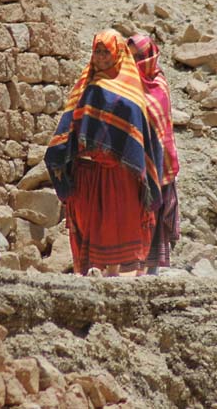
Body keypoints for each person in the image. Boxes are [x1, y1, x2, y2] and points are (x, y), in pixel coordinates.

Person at [45, 29, 163, 276]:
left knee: (114, 223)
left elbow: (137, 130)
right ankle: (92, 270)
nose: (100, 58)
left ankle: (113, 270)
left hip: (119, 172)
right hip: (87, 169)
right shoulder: (85, 85)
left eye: (105, 52)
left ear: (117, 54)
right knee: (89, 222)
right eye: (96, 52)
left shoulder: (131, 91)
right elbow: (71, 123)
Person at [128, 34, 181, 275]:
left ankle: (151, 273)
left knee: (154, 212)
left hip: (159, 161)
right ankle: (132, 267)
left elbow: (160, 123)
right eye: (130, 56)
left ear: (150, 56)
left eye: (140, 56)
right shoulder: (123, 83)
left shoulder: (159, 83)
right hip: (133, 161)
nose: (135, 61)